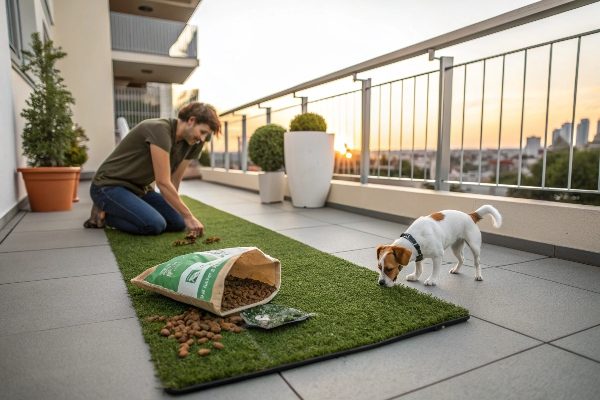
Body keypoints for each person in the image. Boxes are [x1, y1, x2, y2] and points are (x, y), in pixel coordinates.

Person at [84, 102, 220, 236]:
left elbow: (175, 179)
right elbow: (163, 183)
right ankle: (106, 215)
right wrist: (189, 216)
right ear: (191, 120)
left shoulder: (194, 142)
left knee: (178, 223)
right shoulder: (160, 129)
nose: (202, 139)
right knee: (154, 224)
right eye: (202, 132)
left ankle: (121, 209)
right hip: (108, 185)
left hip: (139, 189)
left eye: (206, 135)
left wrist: (175, 211)